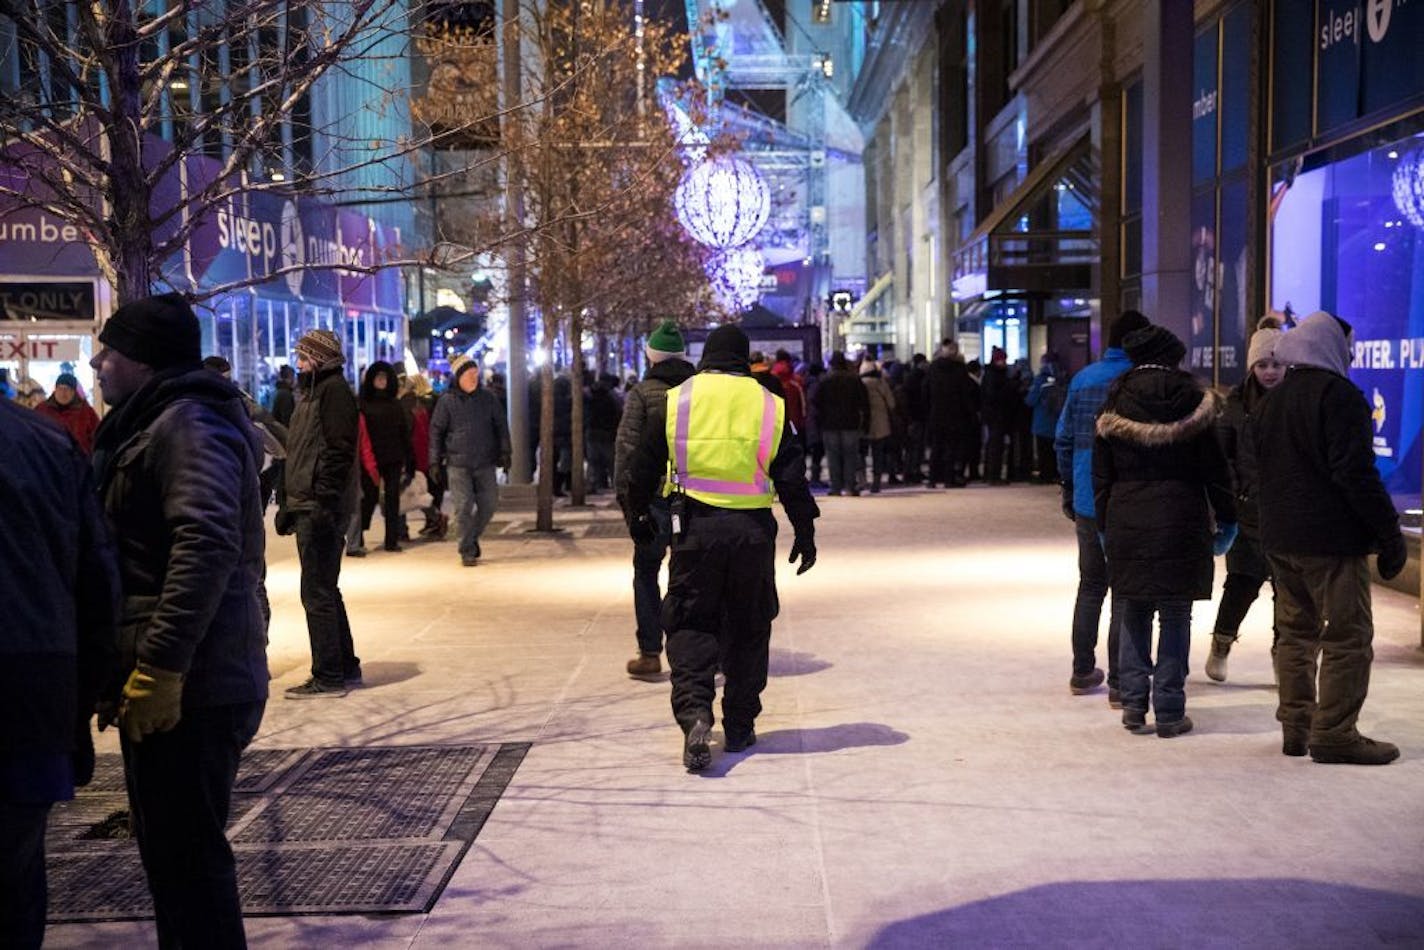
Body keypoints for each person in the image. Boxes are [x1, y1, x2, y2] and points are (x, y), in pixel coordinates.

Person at [88, 292, 268, 947]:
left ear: (146, 360)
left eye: (113, 350)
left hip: (195, 683)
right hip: (189, 676)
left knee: (187, 862)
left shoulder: (187, 423)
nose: (98, 361)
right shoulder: (159, 418)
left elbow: (207, 539)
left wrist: (161, 665)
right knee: (175, 859)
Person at [624, 325, 819, 771]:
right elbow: (791, 473)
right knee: (749, 625)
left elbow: (643, 464)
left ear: (706, 355)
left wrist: (638, 514)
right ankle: (739, 724)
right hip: (751, 532)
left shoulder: (679, 400)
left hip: (694, 529)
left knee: (691, 621)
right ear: (744, 357)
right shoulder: (769, 403)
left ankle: (695, 711)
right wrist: (805, 531)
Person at [1255, 311, 1407, 764]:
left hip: (1281, 538)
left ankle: (1296, 727)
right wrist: (1389, 533)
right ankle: (1336, 733)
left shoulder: (1272, 401)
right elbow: (1355, 474)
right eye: (1350, 345)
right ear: (1331, 347)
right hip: (1331, 541)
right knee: (1346, 636)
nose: (1354, 353)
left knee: (1294, 634)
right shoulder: (1339, 397)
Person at [0, 397, 118, 950]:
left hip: (32, 676)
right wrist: (90, 688)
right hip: (34, 682)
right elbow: (97, 580)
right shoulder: (45, 441)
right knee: (15, 871)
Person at [1093, 325, 1236, 738]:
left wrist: (1104, 526)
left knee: (1134, 610)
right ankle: (1170, 710)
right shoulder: (1196, 401)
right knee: (1175, 615)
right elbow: (1217, 471)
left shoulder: (1114, 402)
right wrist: (1227, 520)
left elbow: (1101, 476)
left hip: (1128, 521)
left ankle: (1134, 706)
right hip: (1183, 520)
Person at [1054, 309, 1150, 703]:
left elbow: (1062, 439)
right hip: (1126, 499)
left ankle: (1081, 670)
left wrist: (1068, 486)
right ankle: (1119, 682)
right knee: (1125, 592)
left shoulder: (1084, 379)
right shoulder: (1139, 383)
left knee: (1091, 585)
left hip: (1085, 498)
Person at [276, 328, 361, 698]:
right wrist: (286, 501)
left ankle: (328, 674)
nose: (298, 363)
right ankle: (344, 664)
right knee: (325, 587)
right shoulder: (311, 393)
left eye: (304, 357)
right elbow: (299, 452)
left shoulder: (332, 393)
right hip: (308, 503)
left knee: (316, 592)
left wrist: (324, 501)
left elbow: (337, 450)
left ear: (320, 359)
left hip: (320, 506)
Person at [1204, 316, 1285, 682]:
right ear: (1252, 366)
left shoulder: (1295, 403)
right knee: (1241, 583)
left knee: (1289, 593)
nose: (1270, 372)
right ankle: (1221, 643)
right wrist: (1235, 495)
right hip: (1246, 510)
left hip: (1288, 513)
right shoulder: (1234, 405)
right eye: (1263, 365)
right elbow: (1222, 458)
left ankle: (1284, 657)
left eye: (1277, 364)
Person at [614, 320, 696, 679]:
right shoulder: (699, 391)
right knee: (691, 577)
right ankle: (693, 649)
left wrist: (629, 503)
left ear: (651, 357)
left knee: (646, 572)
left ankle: (650, 652)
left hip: (652, 498)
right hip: (694, 498)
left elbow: (628, 449)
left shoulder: (642, 393)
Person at [429, 354, 511, 567]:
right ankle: (467, 550)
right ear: (458, 377)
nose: (473, 378)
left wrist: (505, 452)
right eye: (468, 375)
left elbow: (501, 427)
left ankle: (471, 537)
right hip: (458, 463)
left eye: (475, 374)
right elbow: (436, 432)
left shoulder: (488, 399)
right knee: (463, 506)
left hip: (485, 461)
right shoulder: (447, 401)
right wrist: (434, 461)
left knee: (489, 503)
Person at [353, 361, 412, 554]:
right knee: (368, 498)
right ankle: (358, 536)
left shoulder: (395, 405)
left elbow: (404, 433)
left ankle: (391, 540)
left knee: (393, 499)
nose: (381, 381)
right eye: (378, 378)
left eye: (384, 378)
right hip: (370, 459)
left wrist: (409, 459)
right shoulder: (363, 404)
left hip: (393, 457)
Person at [813, 352, 869, 496]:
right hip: (851, 423)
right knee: (850, 456)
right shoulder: (854, 379)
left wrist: (820, 420)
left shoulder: (825, 380)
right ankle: (850, 486)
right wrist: (865, 423)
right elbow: (864, 402)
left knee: (833, 457)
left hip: (830, 424)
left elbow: (816, 401)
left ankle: (836, 487)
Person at [924, 340, 976, 488]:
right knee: (951, 447)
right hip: (955, 414)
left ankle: (933, 479)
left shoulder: (933, 368)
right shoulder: (959, 369)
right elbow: (966, 394)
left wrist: (928, 409)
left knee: (936, 447)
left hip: (936, 413)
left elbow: (925, 390)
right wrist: (970, 413)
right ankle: (948, 478)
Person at [33, 371, 101, 454]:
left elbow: (98, 440)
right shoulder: (42, 410)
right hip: (48, 460)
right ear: (55, 389)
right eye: (60, 388)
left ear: (74, 392)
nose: (63, 393)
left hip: (78, 462)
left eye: (68, 389)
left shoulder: (87, 412)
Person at [1024, 353, 1064, 483]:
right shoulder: (1061, 378)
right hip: (1056, 421)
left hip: (1041, 422)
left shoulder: (1040, 380)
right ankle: (1055, 474)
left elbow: (1030, 401)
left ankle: (1045, 475)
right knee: (1054, 451)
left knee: (1043, 451)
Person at [859, 358, 896, 493]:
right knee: (878, 454)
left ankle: (862, 479)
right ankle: (876, 482)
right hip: (881, 424)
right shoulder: (882, 383)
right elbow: (891, 403)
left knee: (861, 453)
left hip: (863, 424)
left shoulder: (860, 383)